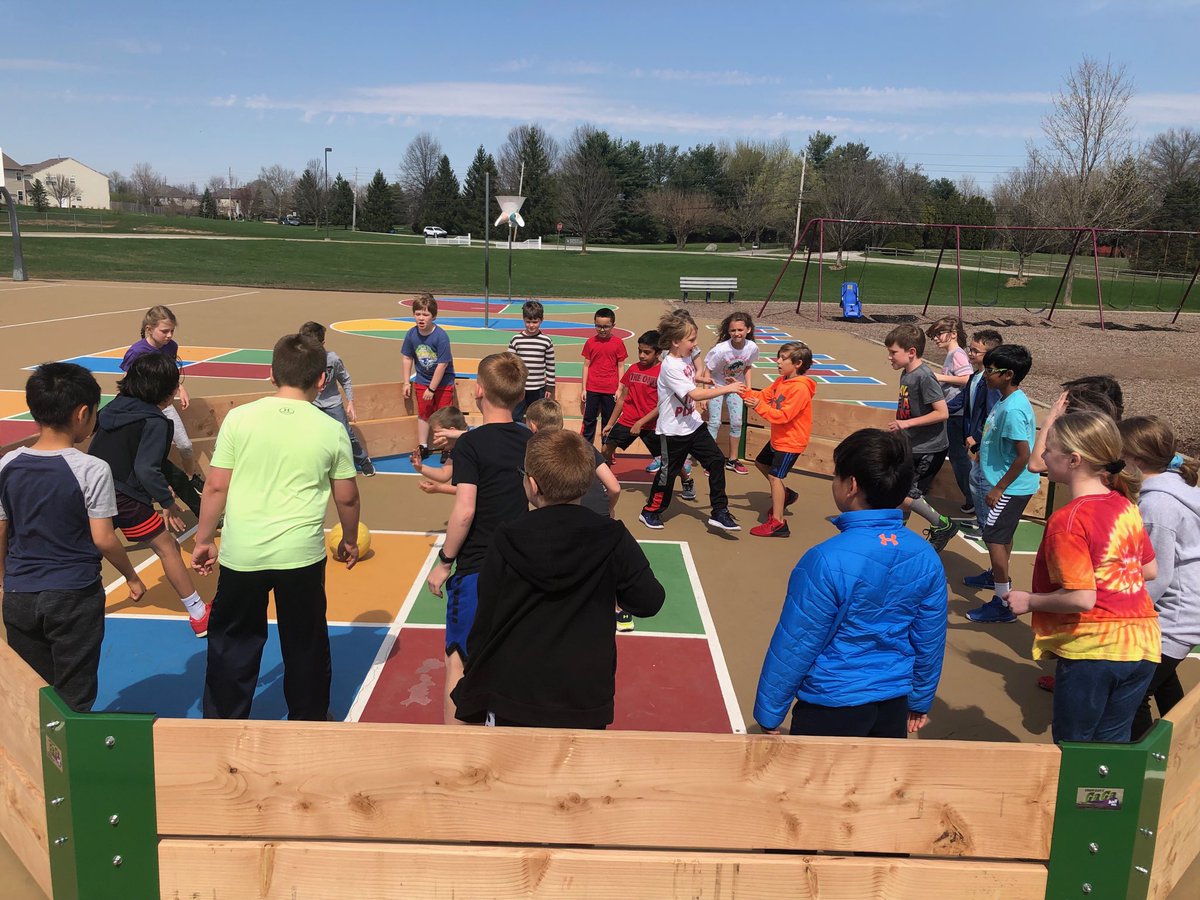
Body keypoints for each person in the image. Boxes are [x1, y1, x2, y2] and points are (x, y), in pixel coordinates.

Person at [192, 334, 361, 721]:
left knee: (232, 642)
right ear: (322, 380)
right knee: (305, 643)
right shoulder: (330, 429)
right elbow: (347, 497)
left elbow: (216, 485)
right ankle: (310, 717)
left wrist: (204, 539)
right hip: (300, 557)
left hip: (243, 552)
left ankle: (222, 722)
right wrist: (349, 539)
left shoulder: (239, 417)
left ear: (271, 375)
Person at [450, 428, 665, 728]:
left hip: (513, 696)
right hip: (585, 698)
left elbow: (485, 621)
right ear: (588, 481)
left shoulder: (507, 538)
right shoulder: (612, 537)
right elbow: (649, 600)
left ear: (533, 484)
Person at [753, 428, 947, 738]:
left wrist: (769, 711)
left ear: (851, 485)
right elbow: (929, 636)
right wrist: (921, 698)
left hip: (831, 703)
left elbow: (797, 642)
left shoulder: (826, 559)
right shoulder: (925, 555)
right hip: (892, 701)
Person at [0, 363, 146, 712]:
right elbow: (103, 537)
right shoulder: (91, 469)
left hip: (20, 594)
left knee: (34, 690)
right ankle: (70, 759)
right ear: (83, 413)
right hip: (73, 595)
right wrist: (131, 575)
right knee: (74, 694)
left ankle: (39, 759)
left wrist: (5, 580)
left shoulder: (7, 463)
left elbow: (2, 529)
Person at [1007, 411, 1160, 744]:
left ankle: (1072, 798)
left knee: (1075, 746)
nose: (1043, 453)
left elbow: (1082, 597)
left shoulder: (1068, 519)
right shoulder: (1125, 504)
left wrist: (1029, 600)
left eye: (1049, 448)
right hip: (1143, 646)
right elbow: (1149, 570)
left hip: (1095, 649)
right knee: (1112, 744)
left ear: (1074, 460)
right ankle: (1106, 798)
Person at [425, 352, 531, 725]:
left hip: (476, 569)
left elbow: (465, 509)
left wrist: (444, 562)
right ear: (520, 397)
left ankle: (456, 750)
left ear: (478, 392)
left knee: (459, 660)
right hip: (519, 569)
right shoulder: (529, 440)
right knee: (509, 659)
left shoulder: (471, 446)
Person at [88, 352, 210, 637]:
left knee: (88, 550)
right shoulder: (155, 422)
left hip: (92, 487)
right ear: (165, 392)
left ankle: (81, 610)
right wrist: (167, 503)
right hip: (125, 495)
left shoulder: (113, 408)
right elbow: (145, 467)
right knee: (167, 547)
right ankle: (198, 613)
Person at [1118, 417, 1200, 738]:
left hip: (1171, 621)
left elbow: (1158, 577)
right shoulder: (1178, 488)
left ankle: (1146, 765)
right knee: (1164, 685)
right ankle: (1185, 745)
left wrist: (1120, 618)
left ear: (1135, 460)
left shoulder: (1158, 505)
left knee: (1131, 698)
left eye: (1118, 455)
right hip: (1184, 613)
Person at [639, 314, 742, 533]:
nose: (695, 344)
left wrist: (701, 378)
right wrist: (728, 388)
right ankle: (650, 510)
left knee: (715, 461)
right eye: (691, 340)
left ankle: (719, 511)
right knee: (669, 473)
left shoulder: (684, 358)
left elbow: (689, 380)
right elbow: (694, 396)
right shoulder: (670, 365)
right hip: (674, 431)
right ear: (676, 342)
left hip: (692, 425)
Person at [964, 345, 1042, 624]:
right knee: (1000, 535)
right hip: (1002, 482)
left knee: (993, 536)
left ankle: (1002, 600)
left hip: (1010, 487)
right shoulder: (1004, 399)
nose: (985, 375)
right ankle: (997, 576)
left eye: (990, 370)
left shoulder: (1014, 409)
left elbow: (1023, 455)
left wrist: (999, 488)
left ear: (1008, 375)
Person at [121, 305, 203, 516]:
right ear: (149, 329)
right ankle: (154, 491)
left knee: (184, 444)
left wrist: (180, 387)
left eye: (172, 331)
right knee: (150, 454)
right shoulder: (137, 352)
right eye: (164, 331)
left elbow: (170, 373)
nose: (169, 335)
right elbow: (131, 382)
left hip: (162, 403)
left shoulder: (171, 347)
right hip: (142, 408)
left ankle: (190, 477)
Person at [884, 325, 957, 551]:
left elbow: (942, 412)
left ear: (911, 352)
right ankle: (896, 536)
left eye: (894, 352)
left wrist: (906, 423)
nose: (889, 357)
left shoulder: (924, 377)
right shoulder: (907, 374)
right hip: (912, 445)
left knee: (905, 494)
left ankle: (942, 524)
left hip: (929, 448)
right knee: (900, 493)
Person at [738, 341, 817, 538]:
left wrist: (758, 406)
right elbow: (764, 396)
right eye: (778, 357)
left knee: (775, 477)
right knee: (760, 463)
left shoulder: (800, 388)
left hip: (791, 441)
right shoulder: (781, 381)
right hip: (778, 439)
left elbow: (783, 416)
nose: (778, 361)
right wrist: (739, 390)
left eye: (783, 358)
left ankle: (778, 522)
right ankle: (786, 494)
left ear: (797, 363)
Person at [299, 321, 374, 477]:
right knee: (309, 435)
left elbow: (345, 379)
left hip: (332, 403)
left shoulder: (332, 359)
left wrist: (350, 402)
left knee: (346, 434)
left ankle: (363, 460)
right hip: (310, 403)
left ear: (323, 343)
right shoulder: (300, 360)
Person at [525, 399, 621, 520]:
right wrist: (608, 510)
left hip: (567, 519)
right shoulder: (580, 445)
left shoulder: (538, 454)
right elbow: (614, 488)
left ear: (533, 427)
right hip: (599, 514)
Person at [928, 317, 975, 515]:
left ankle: (972, 497)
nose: (936, 339)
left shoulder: (957, 354)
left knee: (957, 456)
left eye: (939, 334)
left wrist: (939, 377)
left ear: (953, 334)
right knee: (952, 454)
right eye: (934, 336)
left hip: (957, 413)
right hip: (952, 412)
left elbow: (967, 378)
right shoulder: (951, 355)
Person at [401, 293, 456, 459]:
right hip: (422, 380)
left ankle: (447, 448)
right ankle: (423, 446)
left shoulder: (440, 337)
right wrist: (406, 382)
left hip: (443, 382)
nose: (421, 318)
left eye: (425, 314)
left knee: (444, 415)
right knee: (424, 414)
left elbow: (442, 364)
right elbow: (407, 357)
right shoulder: (411, 335)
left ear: (434, 316)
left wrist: (432, 388)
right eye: (418, 314)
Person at [960, 329, 1003, 538]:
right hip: (973, 436)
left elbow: (991, 413)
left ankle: (986, 525)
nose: (971, 353)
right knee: (975, 480)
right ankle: (981, 521)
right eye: (971, 349)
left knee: (980, 483)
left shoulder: (990, 381)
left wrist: (976, 436)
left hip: (982, 441)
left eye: (976, 351)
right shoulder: (976, 375)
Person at [705, 312, 759, 476]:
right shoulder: (721, 350)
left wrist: (748, 389)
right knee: (714, 422)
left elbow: (747, 367)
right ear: (728, 332)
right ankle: (710, 460)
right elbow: (708, 370)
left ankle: (733, 460)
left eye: (740, 330)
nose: (737, 333)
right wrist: (705, 394)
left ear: (748, 329)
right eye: (733, 330)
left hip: (736, 386)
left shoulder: (751, 348)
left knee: (737, 422)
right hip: (717, 386)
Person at [601, 330, 661, 469]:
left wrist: (641, 423)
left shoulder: (664, 372)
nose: (641, 355)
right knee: (606, 449)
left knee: (668, 459)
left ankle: (686, 480)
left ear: (658, 353)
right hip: (628, 420)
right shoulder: (633, 369)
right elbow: (622, 398)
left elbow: (663, 404)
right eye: (640, 351)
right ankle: (606, 480)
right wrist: (610, 423)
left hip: (651, 424)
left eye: (647, 352)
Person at [579, 307, 628, 446]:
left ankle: (607, 449)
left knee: (608, 421)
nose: (602, 330)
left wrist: (619, 388)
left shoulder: (618, 343)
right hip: (592, 388)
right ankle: (585, 449)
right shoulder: (590, 342)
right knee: (589, 421)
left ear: (613, 325)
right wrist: (584, 388)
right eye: (598, 326)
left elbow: (621, 366)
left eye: (606, 326)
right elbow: (586, 365)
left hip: (610, 390)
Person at [507, 299, 556, 424]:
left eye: (535, 322)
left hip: (538, 388)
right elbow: (510, 363)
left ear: (541, 320)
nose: (531, 325)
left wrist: (549, 387)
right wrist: (511, 382)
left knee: (536, 419)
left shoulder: (546, 341)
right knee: (516, 417)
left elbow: (550, 365)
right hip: (520, 387)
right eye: (528, 322)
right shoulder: (516, 339)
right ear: (523, 320)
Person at [412, 406, 469, 496]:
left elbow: (470, 490)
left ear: (452, 431)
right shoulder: (457, 449)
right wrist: (420, 467)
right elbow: (444, 473)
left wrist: (439, 488)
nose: (434, 437)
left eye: (436, 432)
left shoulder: (469, 452)